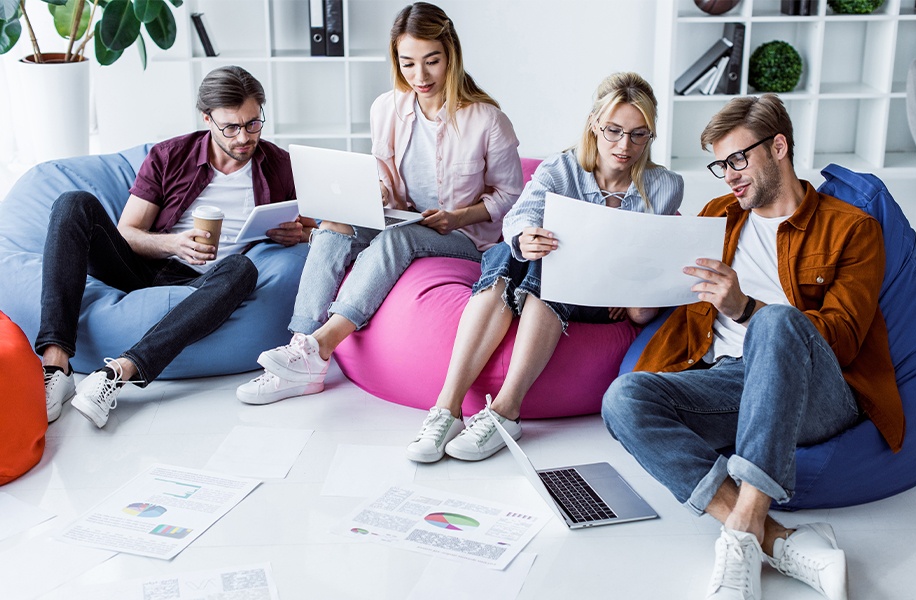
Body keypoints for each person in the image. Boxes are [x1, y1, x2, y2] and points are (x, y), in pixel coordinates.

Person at [601, 94, 905, 600]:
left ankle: (740, 537)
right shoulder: (717, 216)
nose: (729, 177)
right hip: (728, 380)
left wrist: (745, 308)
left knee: (777, 322)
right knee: (622, 399)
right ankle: (776, 540)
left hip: (817, 391)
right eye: (721, 165)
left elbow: (845, 340)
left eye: (739, 159)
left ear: (779, 146)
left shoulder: (852, 229)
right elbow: (672, 294)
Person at [236, 2, 522, 405]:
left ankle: (321, 346)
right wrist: (379, 193)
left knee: (395, 242)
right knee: (333, 224)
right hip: (401, 219)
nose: (419, 76)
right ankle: (301, 349)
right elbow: (383, 171)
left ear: (451, 56)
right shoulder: (386, 107)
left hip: (463, 237)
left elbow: (510, 196)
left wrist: (458, 215)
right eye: (407, 64)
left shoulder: (487, 119)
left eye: (431, 61)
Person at [405, 72, 684, 464]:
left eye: (640, 135)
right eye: (614, 131)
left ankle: (505, 411)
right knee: (509, 254)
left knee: (549, 267)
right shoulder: (562, 169)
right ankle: (447, 409)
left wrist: (632, 291)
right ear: (594, 125)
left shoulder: (664, 185)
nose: (625, 146)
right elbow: (519, 216)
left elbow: (652, 268)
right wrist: (524, 238)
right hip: (543, 279)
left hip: (603, 301)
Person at [40, 65, 306, 428]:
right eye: (231, 127)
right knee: (72, 202)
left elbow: (313, 227)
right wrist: (174, 244)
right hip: (142, 268)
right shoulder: (170, 156)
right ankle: (56, 366)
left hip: (209, 284)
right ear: (207, 119)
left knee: (244, 268)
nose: (244, 137)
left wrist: (296, 235)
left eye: (253, 123)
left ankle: (120, 371)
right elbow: (129, 232)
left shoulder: (279, 164)